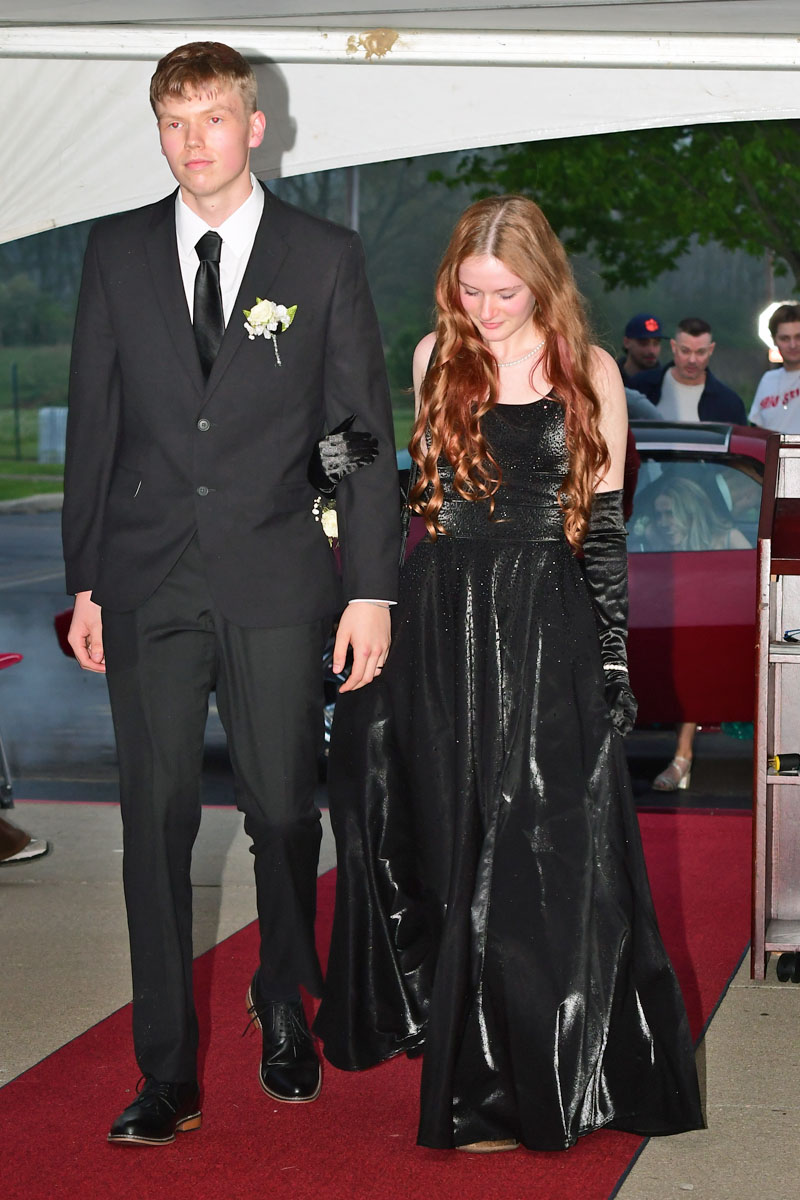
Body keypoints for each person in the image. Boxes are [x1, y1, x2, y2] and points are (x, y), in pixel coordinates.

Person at [62, 41, 398, 1146]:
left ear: (256, 126)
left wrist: (368, 589)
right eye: (174, 122)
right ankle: (166, 1068)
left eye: (212, 118)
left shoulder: (322, 255)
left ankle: (279, 1000)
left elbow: (353, 435)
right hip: (148, 576)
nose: (192, 141)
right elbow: (95, 430)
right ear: (158, 132)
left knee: (283, 811)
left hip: (277, 575)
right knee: (152, 828)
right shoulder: (113, 254)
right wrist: (86, 581)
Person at [315, 196, 703, 1153]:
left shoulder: (592, 372)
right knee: (452, 842)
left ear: (543, 285)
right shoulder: (434, 358)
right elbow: (421, 494)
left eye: (505, 292)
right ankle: (474, 1078)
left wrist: (614, 658)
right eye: (470, 289)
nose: (485, 309)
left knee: (545, 853)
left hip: (545, 621)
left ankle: (556, 1072)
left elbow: (604, 530)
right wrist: (336, 461)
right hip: (442, 616)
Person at [645, 476, 748, 791]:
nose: (664, 523)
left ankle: (681, 758)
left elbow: (754, 587)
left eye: (670, 514)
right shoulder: (657, 539)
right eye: (659, 515)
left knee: (691, 662)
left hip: (731, 636)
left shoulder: (728, 538)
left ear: (691, 513)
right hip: (683, 633)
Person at [630, 317, 747, 424]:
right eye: (685, 351)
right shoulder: (640, 386)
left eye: (700, 352)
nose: (692, 360)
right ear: (673, 347)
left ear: (711, 350)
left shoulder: (729, 403)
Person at [749, 302, 800, 432]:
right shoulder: (768, 379)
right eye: (785, 338)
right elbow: (757, 430)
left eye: (798, 337)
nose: (793, 345)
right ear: (774, 340)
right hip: (771, 451)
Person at [617, 311, 666, 384]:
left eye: (656, 343)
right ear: (626, 342)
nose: (651, 350)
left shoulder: (665, 381)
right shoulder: (610, 377)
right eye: (644, 343)